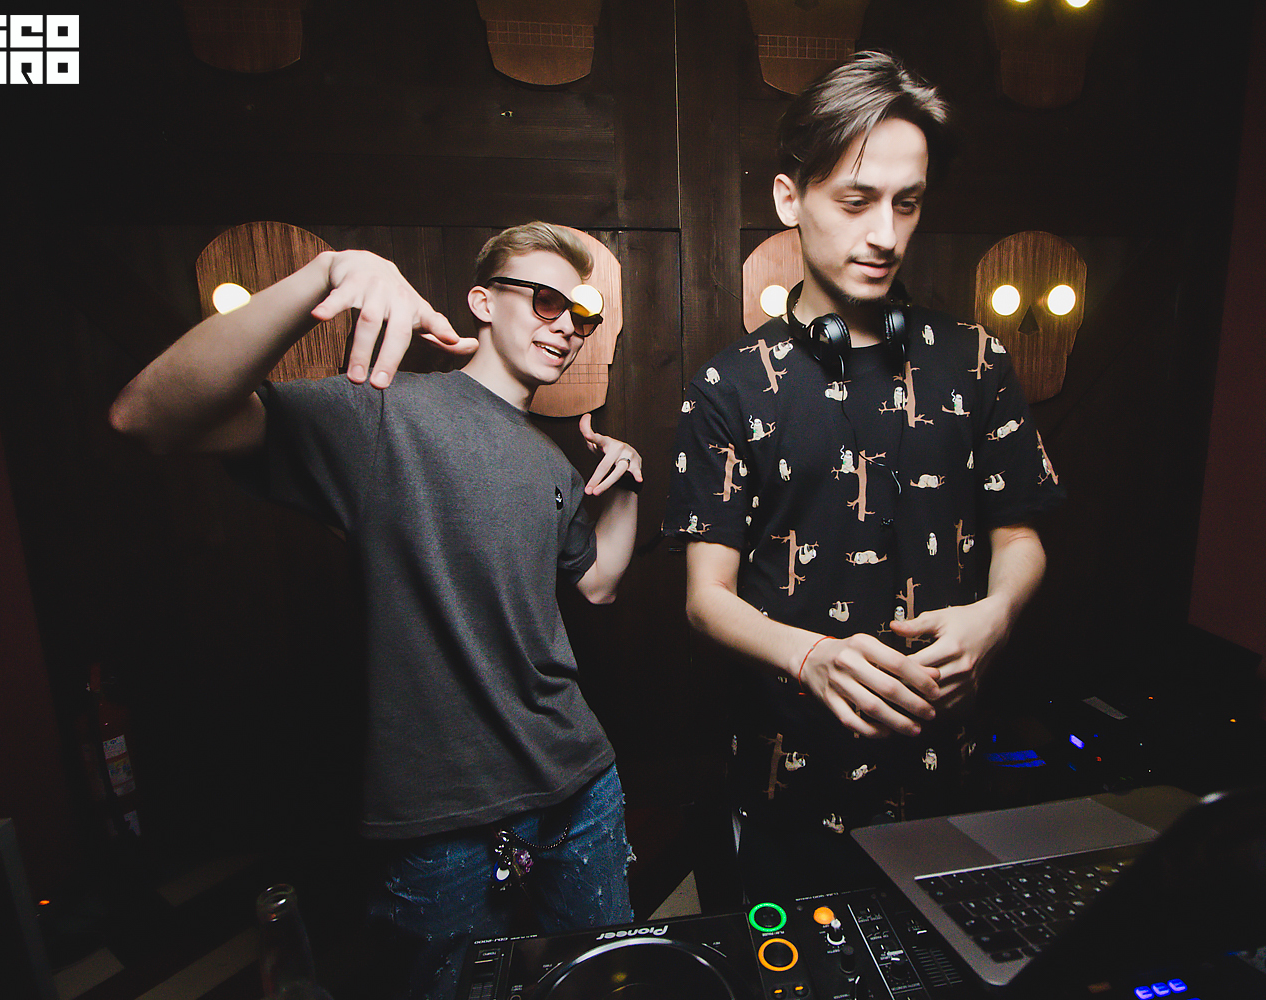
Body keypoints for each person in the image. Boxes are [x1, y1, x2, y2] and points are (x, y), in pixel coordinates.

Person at [111, 223, 641, 997]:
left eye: (582, 315)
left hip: (582, 783)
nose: (566, 326)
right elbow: (147, 416)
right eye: (546, 301)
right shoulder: (384, 414)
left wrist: (624, 485)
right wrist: (327, 274)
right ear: (482, 302)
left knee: (607, 983)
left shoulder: (549, 460)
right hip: (445, 816)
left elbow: (598, 584)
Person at [662, 52, 1065, 900]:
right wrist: (809, 656)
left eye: (906, 203)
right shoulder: (728, 386)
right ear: (789, 199)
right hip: (788, 787)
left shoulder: (978, 361)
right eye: (855, 201)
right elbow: (706, 597)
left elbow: (1021, 533)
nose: (885, 233)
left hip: (949, 779)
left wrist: (995, 616)